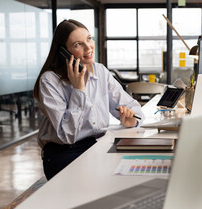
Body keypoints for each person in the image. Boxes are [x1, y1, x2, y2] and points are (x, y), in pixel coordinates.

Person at [33, 19, 144, 180]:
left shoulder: (100, 71)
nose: (88, 47)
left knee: (132, 169)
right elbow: (66, 136)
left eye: (89, 39)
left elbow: (134, 108)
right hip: (64, 153)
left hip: (97, 145)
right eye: (78, 44)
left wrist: (131, 120)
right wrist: (78, 90)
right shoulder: (49, 80)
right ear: (63, 51)